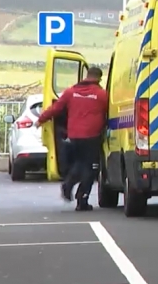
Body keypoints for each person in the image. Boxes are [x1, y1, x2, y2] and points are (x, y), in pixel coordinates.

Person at [36, 66, 109, 211]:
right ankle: (82, 200)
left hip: (74, 136)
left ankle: (68, 184)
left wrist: (40, 120)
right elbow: (110, 112)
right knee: (91, 168)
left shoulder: (71, 92)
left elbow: (56, 108)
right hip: (92, 137)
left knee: (79, 163)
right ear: (99, 78)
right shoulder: (102, 95)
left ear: (86, 76)